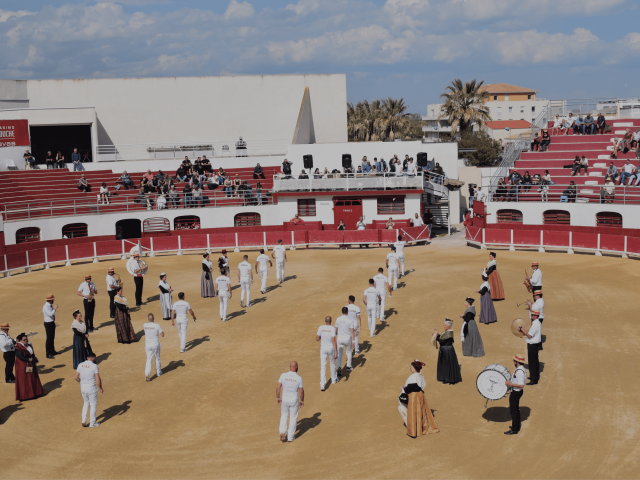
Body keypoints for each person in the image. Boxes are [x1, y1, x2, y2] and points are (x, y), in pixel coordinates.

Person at [398, 360, 440, 437]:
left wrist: (403, 389)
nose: (410, 368)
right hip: (420, 395)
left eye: (411, 367)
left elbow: (410, 388)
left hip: (413, 396)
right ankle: (421, 428)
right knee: (421, 412)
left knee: (413, 413)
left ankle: (413, 432)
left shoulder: (413, 377)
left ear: (414, 368)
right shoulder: (420, 375)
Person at [276, 361, 304, 442]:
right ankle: (290, 437)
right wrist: (302, 400)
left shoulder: (283, 375)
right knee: (293, 417)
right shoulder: (299, 378)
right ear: (296, 367)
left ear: (289, 367)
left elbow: (278, 387)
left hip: (284, 399)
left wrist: (278, 397)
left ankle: (282, 432)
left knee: (284, 415)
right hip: (294, 400)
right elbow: (301, 391)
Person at [74, 351, 103, 428]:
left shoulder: (80, 365)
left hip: (83, 388)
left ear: (87, 358)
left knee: (86, 403)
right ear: (94, 358)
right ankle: (92, 423)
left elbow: (75, 377)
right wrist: (101, 388)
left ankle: (83, 420)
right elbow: (98, 379)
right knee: (93, 405)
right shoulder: (95, 366)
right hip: (91, 388)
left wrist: (81, 382)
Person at [14, 333, 44, 401]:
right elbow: (20, 357)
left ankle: (35, 393)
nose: (26, 341)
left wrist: (34, 359)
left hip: (30, 364)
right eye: (24, 340)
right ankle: (24, 396)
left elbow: (32, 354)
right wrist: (30, 359)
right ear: (20, 340)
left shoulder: (29, 345)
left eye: (26, 339)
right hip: (22, 366)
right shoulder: (18, 347)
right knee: (24, 380)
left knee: (32, 378)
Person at [432, 319, 462, 384]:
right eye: (443, 325)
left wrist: (436, 336)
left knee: (447, 364)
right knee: (445, 364)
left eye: (445, 325)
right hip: (445, 350)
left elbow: (442, 341)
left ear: (449, 326)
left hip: (447, 351)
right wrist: (437, 335)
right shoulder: (446, 332)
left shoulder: (449, 333)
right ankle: (445, 377)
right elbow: (442, 338)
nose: (444, 326)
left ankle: (448, 379)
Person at [504, 354, 527, 435]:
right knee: (515, 410)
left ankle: (514, 429)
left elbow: (521, 385)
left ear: (517, 362)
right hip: (517, 392)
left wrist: (509, 384)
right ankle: (516, 426)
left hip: (516, 392)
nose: (513, 361)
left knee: (514, 411)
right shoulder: (521, 369)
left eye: (514, 360)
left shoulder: (520, 372)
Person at [518, 310, 542, 385]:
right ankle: (534, 376)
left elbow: (529, 335)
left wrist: (522, 330)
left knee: (532, 362)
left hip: (533, 345)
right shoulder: (536, 322)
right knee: (534, 361)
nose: (531, 316)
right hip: (535, 344)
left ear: (536, 316)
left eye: (532, 315)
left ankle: (534, 379)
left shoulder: (535, 324)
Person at [316, 316, 338, 391]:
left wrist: (322, 336)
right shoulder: (332, 328)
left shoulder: (320, 327)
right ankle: (333, 379)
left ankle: (322, 384)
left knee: (323, 366)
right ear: (331, 321)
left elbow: (317, 339)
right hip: (331, 348)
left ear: (325, 321)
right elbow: (333, 340)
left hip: (323, 349)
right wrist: (336, 351)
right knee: (332, 363)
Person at [143, 313, 164, 382]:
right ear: (154, 319)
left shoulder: (145, 325)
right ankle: (158, 372)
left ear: (148, 319)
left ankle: (147, 375)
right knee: (157, 358)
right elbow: (162, 335)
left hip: (148, 345)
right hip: (155, 345)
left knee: (149, 359)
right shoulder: (157, 326)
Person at [335, 307, 354, 376]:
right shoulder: (350, 320)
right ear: (347, 312)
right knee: (348, 352)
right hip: (347, 339)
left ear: (341, 311)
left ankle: (339, 367)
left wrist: (337, 335)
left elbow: (336, 330)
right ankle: (348, 366)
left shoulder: (338, 319)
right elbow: (352, 331)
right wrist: (353, 341)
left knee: (340, 354)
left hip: (339, 339)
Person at [43, 293, 58, 358]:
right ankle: (48, 353)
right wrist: (55, 309)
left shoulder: (49, 305)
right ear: (50, 300)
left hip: (51, 323)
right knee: (49, 338)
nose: (53, 300)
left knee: (52, 337)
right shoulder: (46, 307)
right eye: (53, 299)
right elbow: (50, 314)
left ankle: (52, 351)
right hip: (48, 324)